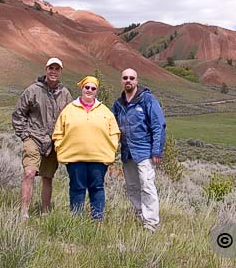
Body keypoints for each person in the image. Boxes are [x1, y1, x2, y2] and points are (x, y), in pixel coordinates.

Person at [12, 57, 73, 219]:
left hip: (53, 142)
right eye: (51, 68)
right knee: (29, 173)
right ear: (46, 70)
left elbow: (71, 118)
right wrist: (24, 135)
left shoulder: (65, 94)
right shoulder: (33, 90)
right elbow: (19, 113)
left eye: (57, 69)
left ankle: (45, 211)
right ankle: (24, 212)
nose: (53, 71)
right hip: (33, 137)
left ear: (60, 72)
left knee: (48, 177)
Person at [53, 75, 120, 221]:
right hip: (75, 159)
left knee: (97, 188)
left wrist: (111, 150)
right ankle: (76, 220)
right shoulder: (68, 110)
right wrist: (60, 148)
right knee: (77, 187)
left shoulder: (105, 112)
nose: (89, 90)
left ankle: (97, 220)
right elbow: (58, 132)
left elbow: (115, 133)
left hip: (99, 159)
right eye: (86, 87)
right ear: (82, 88)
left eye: (93, 88)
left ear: (96, 91)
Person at [112, 68, 166, 232]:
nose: (128, 80)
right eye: (125, 78)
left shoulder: (147, 99)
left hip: (144, 151)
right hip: (127, 152)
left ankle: (150, 222)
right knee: (132, 186)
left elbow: (159, 125)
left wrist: (156, 150)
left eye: (131, 78)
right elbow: (111, 127)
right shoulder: (118, 104)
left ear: (136, 80)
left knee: (147, 184)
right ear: (121, 81)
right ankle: (140, 214)